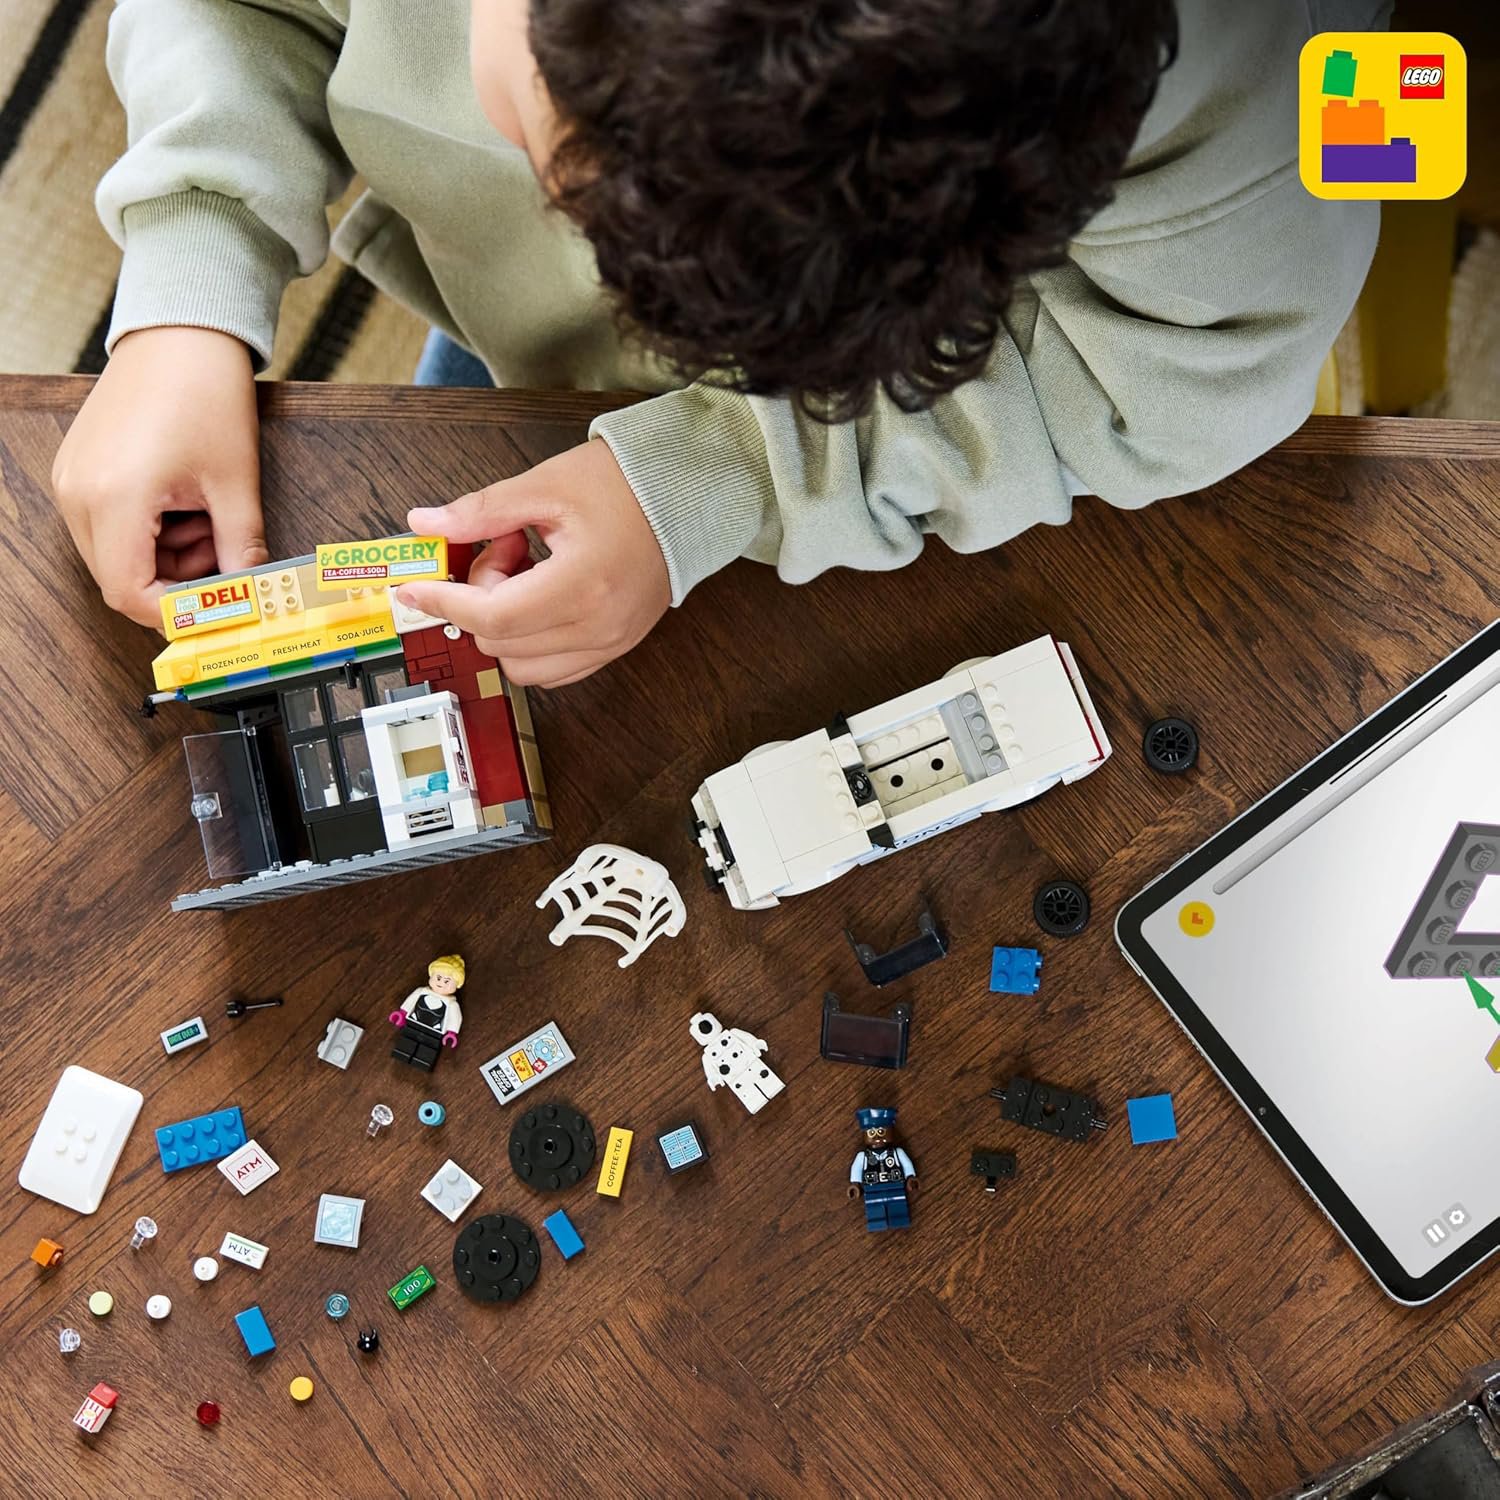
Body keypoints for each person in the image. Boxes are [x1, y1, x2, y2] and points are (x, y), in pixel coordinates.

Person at [52, 0, 1386, 689]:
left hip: (952, 443)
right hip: (535, 339)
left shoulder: (1309, 84)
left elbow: (1209, 376)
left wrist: (722, 472)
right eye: (555, 157)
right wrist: (186, 286)